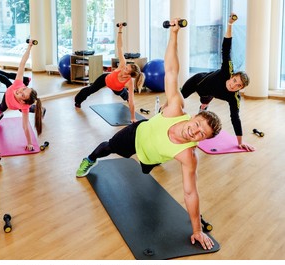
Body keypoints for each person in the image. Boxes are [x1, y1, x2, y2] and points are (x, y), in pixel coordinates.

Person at [76, 19, 222, 250]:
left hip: (150, 156)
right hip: (137, 135)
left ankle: (152, 162)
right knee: (109, 147)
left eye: (201, 134)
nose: (194, 131)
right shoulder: (175, 109)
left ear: (202, 140)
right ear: (193, 117)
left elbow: (190, 192)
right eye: (197, 124)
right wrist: (174, 34)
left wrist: (197, 229)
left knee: (146, 168)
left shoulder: (187, 156)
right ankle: (89, 159)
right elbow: (172, 71)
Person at [180, 13, 254, 151]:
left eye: (238, 86)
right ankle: (161, 112)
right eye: (234, 81)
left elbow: (235, 118)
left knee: (205, 100)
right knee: (177, 100)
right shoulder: (227, 70)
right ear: (232, 76)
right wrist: (230, 24)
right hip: (197, 82)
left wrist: (239, 142)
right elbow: (226, 48)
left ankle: (203, 108)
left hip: (209, 93)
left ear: (240, 88)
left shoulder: (234, 97)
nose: (234, 85)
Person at [74, 22, 145, 123]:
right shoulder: (122, 64)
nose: (124, 68)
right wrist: (120, 30)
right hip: (106, 80)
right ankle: (77, 101)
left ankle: (129, 108)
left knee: (128, 98)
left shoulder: (129, 82)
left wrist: (133, 118)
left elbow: (132, 101)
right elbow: (120, 47)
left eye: (126, 69)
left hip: (117, 89)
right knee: (90, 89)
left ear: (129, 75)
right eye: (126, 67)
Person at [0, 39, 43, 151]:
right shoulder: (18, 83)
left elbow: (25, 126)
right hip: (7, 96)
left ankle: (39, 109)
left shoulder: (24, 106)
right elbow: (22, 63)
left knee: (27, 109)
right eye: (24, 89)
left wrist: (29, 143)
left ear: (23, 101)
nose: (19, 91)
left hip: (14, 105)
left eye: (22, 95)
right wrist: (29, 47)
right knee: (1, 107)